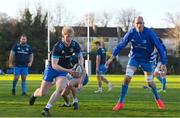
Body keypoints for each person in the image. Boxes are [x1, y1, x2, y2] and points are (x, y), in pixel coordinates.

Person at [106, 16, 167, 111]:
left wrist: (163, 63)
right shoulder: (131, 32)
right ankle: (120, 102)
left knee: (150, 82)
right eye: (137, 23)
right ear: (134, 24)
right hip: (134, 58)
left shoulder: (149, 33)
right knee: (127, 78)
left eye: (141, 23)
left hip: (147, 60)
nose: (139, 25)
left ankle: (158, 99)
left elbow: (159, 47)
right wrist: (111, 58)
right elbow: (121, 44)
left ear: (144, 23)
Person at [29, 26, 83, 117]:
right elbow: (55, 65)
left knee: (60, 88)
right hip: (52, 69)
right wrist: (69, 70)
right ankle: (34, 95)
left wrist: (80, 65)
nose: (69, 39)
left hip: (62, 72)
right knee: (42, 93)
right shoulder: (58, 47)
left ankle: (46, 109)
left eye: (71, 36)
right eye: (67, 36)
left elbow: (80, 57)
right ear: (63, 36)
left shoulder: (75, 45)